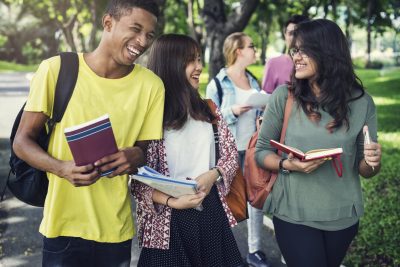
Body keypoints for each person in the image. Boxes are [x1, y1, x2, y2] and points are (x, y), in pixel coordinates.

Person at [12, 1, 165, 266]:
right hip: (62, 226)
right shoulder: (56, 69)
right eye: (136, 29)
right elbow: (22, 142)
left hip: (115, 229)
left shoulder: (151, 86)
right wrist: (61, 168)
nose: (142, 41)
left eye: (149, 35)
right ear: (108, 23)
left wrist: (136, 155)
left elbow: (145, 148)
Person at [255, 19, 382, 267]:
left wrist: (372, 161)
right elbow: (261, 152)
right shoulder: (285, 96)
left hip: (343, 216)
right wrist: (289, 165)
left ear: (328, 53)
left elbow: (366, 170)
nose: (296, 57)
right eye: (295, 50)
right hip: (293, 212)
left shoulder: (362, 102)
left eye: (304, 50)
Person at [132, 34, 243, 267]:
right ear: (171, 64)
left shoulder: (208, 109)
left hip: (210, 212)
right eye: (191, 60)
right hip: (167, 222)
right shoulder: (149, 116)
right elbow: (137, 181)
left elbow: (231, 155)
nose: (199, 67)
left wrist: (213, 174)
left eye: (199, 59)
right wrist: (173, 202)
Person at [206, 33, 269, 266]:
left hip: (252, 149)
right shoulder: (217, 84)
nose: (255, 50)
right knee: (224, 202)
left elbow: (260, 112)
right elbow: (208, 119)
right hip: (228, 153)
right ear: (238, 51)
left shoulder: (253, 81)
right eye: (251, 46)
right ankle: (221, 251)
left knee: (254, 200)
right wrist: (231, 111)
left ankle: (254, 251)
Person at [261, 15, 309, 94]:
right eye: (291, 33)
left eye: (298, 33)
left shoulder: (316, 63)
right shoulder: (273, 63)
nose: (294, 38)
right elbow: (265, 98)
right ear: (285, 35)